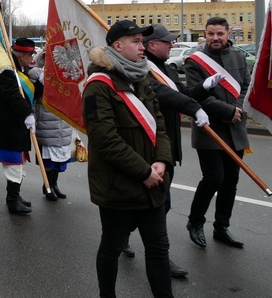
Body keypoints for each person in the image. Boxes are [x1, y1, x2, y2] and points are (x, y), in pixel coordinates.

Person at [82, 20, 173, 297]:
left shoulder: (141, 77)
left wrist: (161, 162)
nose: (142, 46)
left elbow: (160, 125)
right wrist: (144, 172)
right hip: (119, 186)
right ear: (117, 46)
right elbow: (105, 139)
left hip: (152, 185)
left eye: (142, 41)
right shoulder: (98, 86)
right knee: (111, 246)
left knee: (158, 249)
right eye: (135, 41)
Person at [142, 23, 215, 277]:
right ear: (152, 45)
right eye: (167, 42)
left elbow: (181, 92)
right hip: (151, 144)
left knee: (158, 203)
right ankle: (161, 258)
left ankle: (122, 236)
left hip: (169, 143)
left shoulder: (169, 68)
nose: (172, 45)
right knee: (161, 203)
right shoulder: (143, 69)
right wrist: (194, 107)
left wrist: (203, 88)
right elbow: (163, 94)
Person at [185, 17, 250, 250]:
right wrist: (227, 111)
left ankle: (221, 227)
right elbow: (197, 95)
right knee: (214, 178)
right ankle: (195, 222)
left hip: (236, 128)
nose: (215, 38)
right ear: (205, 34)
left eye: (220, 34)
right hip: (209, 129)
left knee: (231, 181)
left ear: (227, 34)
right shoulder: (195, 62)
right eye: (211, 34)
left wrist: (238, 110)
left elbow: (245, 86)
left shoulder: (239, 57)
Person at [0, 38, 36, 215]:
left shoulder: (18, 68)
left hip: (16, 125)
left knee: (18, 163)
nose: (32, 59)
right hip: (7, 126)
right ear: (21, 55)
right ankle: (12, 200)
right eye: (30, 55)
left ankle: (15, 196)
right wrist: (27, 113)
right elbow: (13, 95)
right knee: (14, 163)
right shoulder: (7, 70)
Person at [27, 50, 75, 201]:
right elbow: (33, 95)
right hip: (46, 120)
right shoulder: (36, 73)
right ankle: (47, 185)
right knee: (48, 158)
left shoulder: (65, 73)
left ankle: (54, 184)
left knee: (59, 158)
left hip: (62, 121)